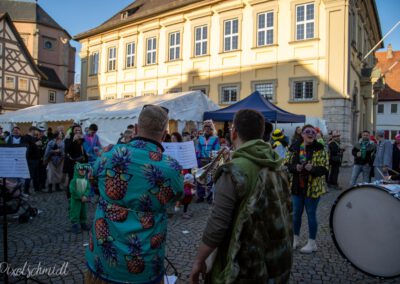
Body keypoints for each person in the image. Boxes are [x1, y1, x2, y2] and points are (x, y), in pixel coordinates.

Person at [190, 109, 292, 283]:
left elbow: (217, 224)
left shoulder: (233, 171)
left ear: (234, 131)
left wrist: (199, 261)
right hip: (275, 261)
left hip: (243, 265)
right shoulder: (278, 165)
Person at [86, 105, 183, 284]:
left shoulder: (108, 154)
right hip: (146, 263)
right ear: (164, 134)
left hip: (103, 259)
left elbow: (92, 182)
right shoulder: (172, 167)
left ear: (136, 129)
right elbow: (176, 198)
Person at [285, 124, 328, 254]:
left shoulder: (320, 148)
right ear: (302, 134)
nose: (310, 134)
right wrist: (294, 167)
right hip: (297, 186)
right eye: (307, 132)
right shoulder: (294, 147)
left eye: (313, 132)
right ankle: (295, 239)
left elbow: (325, 168)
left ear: (315, 135)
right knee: (296, 215)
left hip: (313, 187)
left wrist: (313, 169)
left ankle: (312, 243)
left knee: (311, 214)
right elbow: (286, 163)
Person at [195, 120, 220, 203]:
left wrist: (213, 159)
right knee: (200, 178)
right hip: (201, 159)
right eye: (205, 127)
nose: (207, 129)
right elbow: (197, 149)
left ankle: (209, 196)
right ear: (203, 128)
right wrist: (198, 158)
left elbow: (216, 149)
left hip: (210, 161)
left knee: (210, 179)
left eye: (209, 127)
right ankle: (200, 196)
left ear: (212, 128)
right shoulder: (200, 138)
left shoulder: (215, 138)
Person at [65, 125, 88, 198]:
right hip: (72, 163)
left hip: (81, 162)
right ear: (72, 131)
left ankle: (79, 195)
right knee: (72, 179)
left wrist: (86, 156)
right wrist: (73, 140)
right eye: (76, 130)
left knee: (80, 179)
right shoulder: (68, 138)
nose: (78, 131)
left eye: (79, 130)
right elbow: (67, 150)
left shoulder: (81, 138)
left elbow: (81, 150)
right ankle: (70, 196)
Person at [69, 163, 91, 234]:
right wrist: (80, 196)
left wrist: (85, 195)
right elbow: (72, 190)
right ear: (77, 170)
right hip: (76, 200)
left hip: (83, 200)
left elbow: (88, 188)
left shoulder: (86, 180)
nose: (83, 171)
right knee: (75, 212)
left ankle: (83, 223)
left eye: (84, 170)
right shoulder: (74, 180)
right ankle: (75, 225)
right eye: (81, 170)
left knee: (83, 212)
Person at [22, 126, 42, 194]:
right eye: (37, 131)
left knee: (36, 175)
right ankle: (26, 191)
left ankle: (37, 188)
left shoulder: (33, 138)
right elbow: (26, 148)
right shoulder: (26, 137)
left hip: (36, 159)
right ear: (33, 130)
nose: (38, 133)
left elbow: (34, 147)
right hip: (30, 159)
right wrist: (35, 144)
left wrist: (37, 145)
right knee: (29, 175)